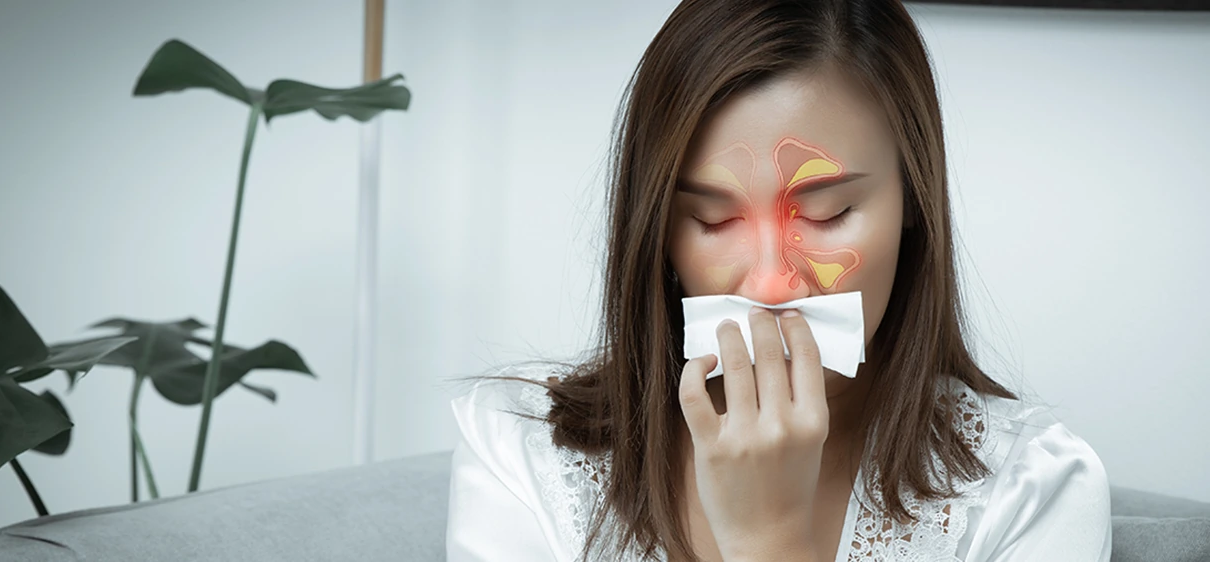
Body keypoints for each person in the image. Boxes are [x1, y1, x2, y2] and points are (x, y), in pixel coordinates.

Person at [444, 0, 1112, 560]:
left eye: (827, 213)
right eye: (712, 218)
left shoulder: (1034, 488)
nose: (770, 283)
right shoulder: (522, 456)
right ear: (657, 235)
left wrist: (771, 540)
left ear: (914, 202)